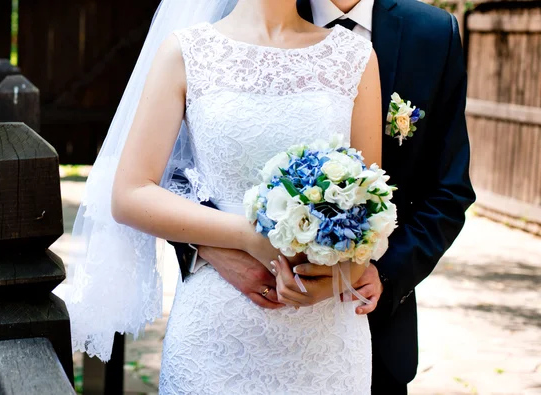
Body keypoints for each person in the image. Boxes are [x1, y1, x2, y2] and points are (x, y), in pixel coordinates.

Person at [170, 0, 476, 393]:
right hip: (228, 319)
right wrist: (208, 245)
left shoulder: (432, 34)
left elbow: (449, 190)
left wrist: (380, 274)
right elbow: (179, 168)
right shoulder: (256, 12)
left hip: (359, 330)